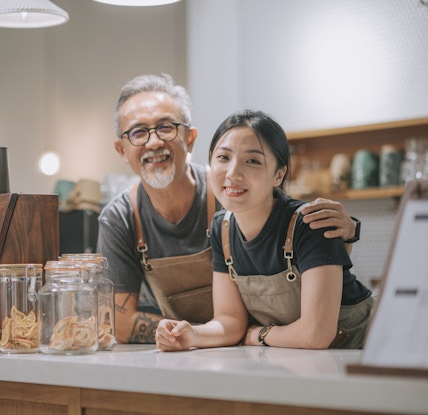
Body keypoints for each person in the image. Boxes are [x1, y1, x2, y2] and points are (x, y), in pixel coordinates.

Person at [97, 74, 361, 344]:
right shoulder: (125, 219)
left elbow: (297, 244)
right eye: (138, 132)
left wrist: (348, 233)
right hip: (236, 349)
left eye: (166, 127)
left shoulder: (236, 194)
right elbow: (120, 322)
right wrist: (193, 335)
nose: (153, 142)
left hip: (314, 349)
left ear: (190, 138)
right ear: (121, 149)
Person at [155, 109, 373, 351]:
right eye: (223, 157)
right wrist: (191, 334)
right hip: (298, 362)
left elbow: (316, 334)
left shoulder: (310, 223)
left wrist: (259, 335)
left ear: (278, 174)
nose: (233, 173)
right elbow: (230, 321)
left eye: (252, 161)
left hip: (365, 353)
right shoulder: (222, 229)